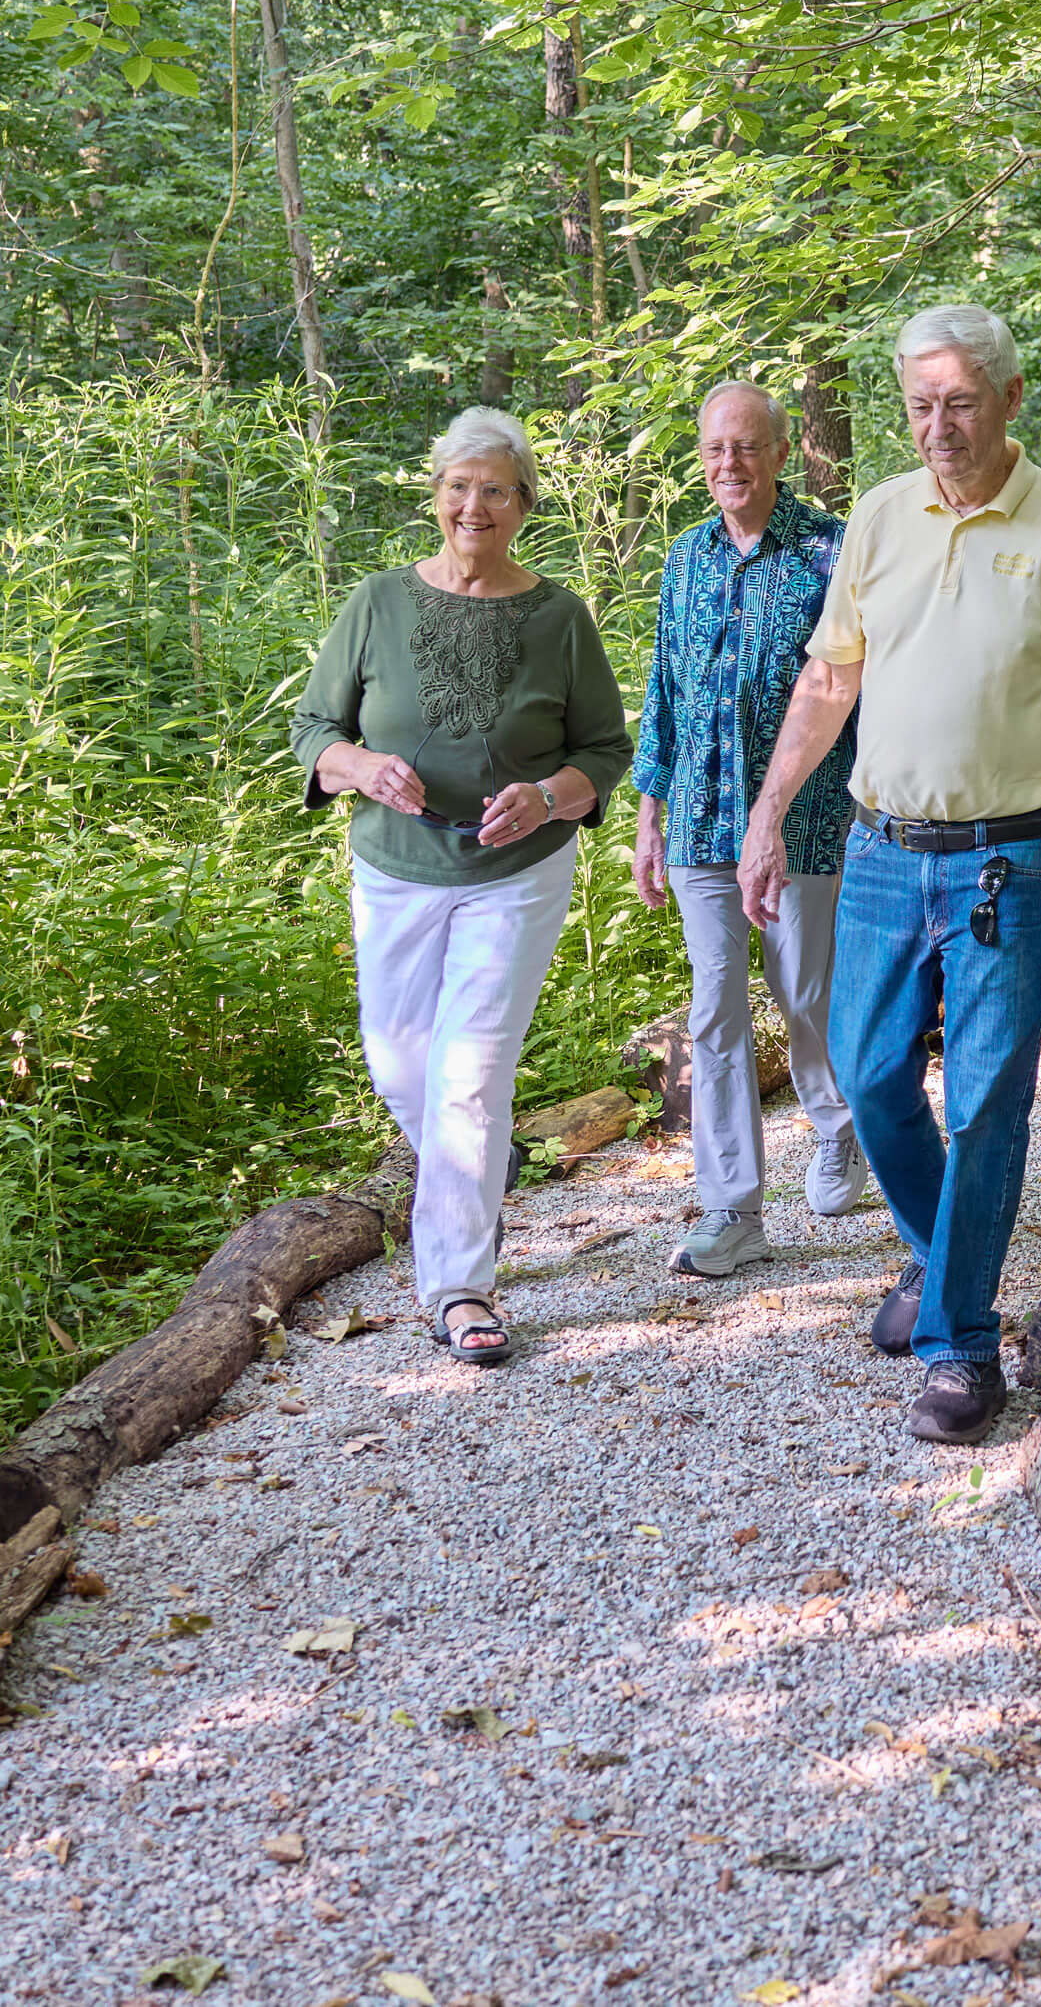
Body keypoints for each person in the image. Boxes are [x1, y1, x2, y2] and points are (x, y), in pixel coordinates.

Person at [741, 305, 1041, 1444]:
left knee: (984, 1107)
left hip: (1004, 863)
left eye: (959, 401)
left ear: (1011, 398)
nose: (938, 425)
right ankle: (943, 1268)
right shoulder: (878, 517)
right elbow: (831, 682)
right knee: (871, 1079)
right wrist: (769, 811)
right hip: (880, 851)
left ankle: (960, 1344)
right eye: (920, 404)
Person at [292, 408, 632, 1368]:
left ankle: (460, 1289)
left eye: (494, 488)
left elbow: (605, 750)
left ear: (523, 504)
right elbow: (314, 730)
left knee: (471, 1074)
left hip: (513, 873)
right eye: (457, 486)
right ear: (435, 497)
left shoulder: (559, 617)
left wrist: (545, 796)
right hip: (393, 869)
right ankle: (485, 1164)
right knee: (403, 1068)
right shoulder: (375, 604)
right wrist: (360, 767)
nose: (472, 504)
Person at [629, 380, 868, 1280]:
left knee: (807, 995)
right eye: (714, 450)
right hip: (697, 820)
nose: (728, 465)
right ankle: (734, 1208)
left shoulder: (830, 552)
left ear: (780, 450)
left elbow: (853, 692)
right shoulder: (685, 558)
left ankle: (840, 1129)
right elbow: (663, 695)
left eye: (746, 447)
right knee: (715, 1010)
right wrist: (649, 817)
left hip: (806, 824)